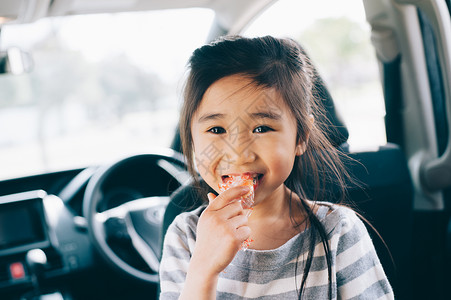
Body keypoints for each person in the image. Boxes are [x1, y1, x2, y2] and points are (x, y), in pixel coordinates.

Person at [159, 35, 394, 299]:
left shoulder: (338, 231)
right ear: (191, 139)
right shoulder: (185, 236)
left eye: (261, 128)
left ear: (300, 137)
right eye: (216, 129)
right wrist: (203, 269)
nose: (239, 154)